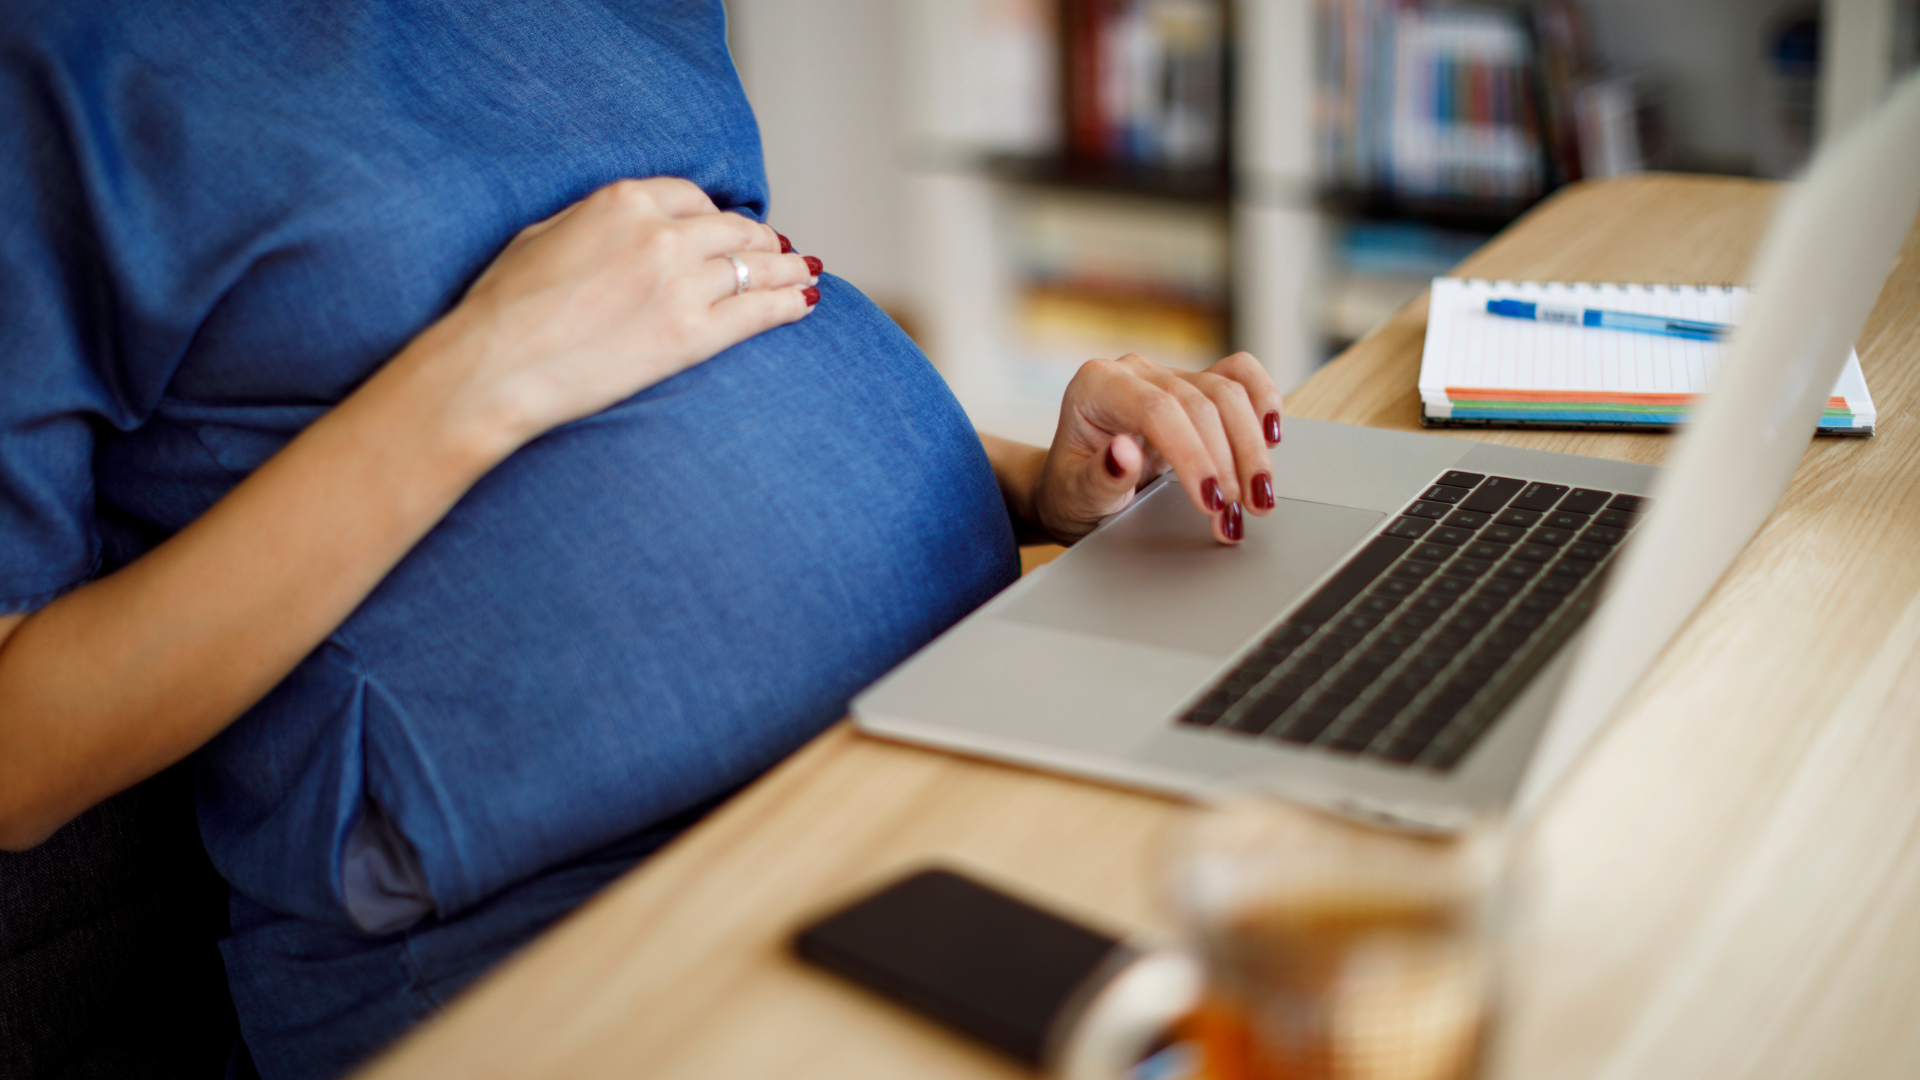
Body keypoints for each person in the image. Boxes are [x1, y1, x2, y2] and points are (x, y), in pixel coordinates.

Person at [0, 2, 1283, 1076]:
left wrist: (1032, 485)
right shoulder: (49, 66)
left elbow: (710, 326)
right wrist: (479, 373)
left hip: (947, 726)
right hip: (575, 919)